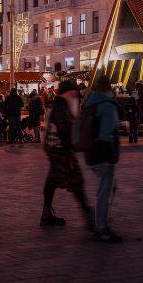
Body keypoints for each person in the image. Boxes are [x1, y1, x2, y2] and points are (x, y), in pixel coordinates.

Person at [41, 80, 93, 229]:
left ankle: (46, 214)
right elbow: (65, 130)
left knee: (52, 181)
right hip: (61, 150)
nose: (76, 96)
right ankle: (89, 216)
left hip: (54, 149)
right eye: (74, 93)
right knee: (76, 182)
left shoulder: (58, 105)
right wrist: (73, 147)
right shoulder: (62, 106)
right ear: (68, 93)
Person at [83, 75, 122, 243]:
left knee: (108, 188)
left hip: (91, 150)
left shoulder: (90, 102)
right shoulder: (107, 105)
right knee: (105, 191)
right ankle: (101, 226)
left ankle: (100, 222)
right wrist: (112, 153)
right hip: (103, 151)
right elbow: (107, 133)